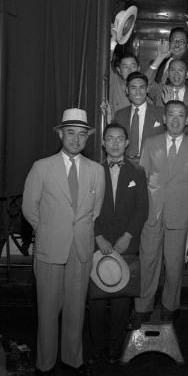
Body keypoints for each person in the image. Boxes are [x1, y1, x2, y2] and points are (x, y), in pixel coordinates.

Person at [22, 109, 105, 376]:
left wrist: (74, 231)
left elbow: (96, 210)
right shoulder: (41, 167)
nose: (77, 139)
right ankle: (45, 364)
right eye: (71, 133)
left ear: (87, 138)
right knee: (47, 311)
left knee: (76, 310)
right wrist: (48, 230)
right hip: (50, 248)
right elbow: (29, 209)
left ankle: (73, 360)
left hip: (80, 249)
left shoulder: (96, 170)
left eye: (82, 135)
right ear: (60, 134)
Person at [130, 100, 188, 328]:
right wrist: (140, 211)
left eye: (180, 115)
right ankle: (142, 308)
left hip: (181, 215)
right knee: (148, 262)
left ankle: (170, 307)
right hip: (151, 214)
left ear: (187, 120)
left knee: (174, 265)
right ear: (164, 118)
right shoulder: (151, 143)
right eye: (171, 114)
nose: (175, 119)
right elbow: (141, 179)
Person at [87, 122, 148, 364]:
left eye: (119, 139)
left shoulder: (137, 173)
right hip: (98, 244)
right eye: (109, 138)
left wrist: (128, 236)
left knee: (122, 302)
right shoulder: (93, 171)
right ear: (102, 143)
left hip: (126, 246)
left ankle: (114, 349)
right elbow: (86, 208)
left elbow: (142, 209)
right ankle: (96, 348)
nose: (114, 143)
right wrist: (97, 235)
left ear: (127, 143)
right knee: (97, 300)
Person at [114, 71, 165, 164]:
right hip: (126, 167)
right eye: (133, 88)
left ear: (147, 89)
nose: (138, 92)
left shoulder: (161, 113)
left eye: (142, 88)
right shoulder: (119, 115)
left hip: (154, 168)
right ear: (126, 90)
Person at [145, 15, 188, 92]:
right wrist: (159, 58)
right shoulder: (161, 63)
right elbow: (147, 82)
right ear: (169, 43)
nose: (177, 44)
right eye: (174, 40)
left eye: (181, 41)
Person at [149, 58, 188, 140]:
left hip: (185, 146)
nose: (176, 74)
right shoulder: (160, 91)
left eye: (180, 70)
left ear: (187, 74)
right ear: (167, 74)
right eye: (172, 70)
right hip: (160, 144)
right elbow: (146, 82)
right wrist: (160, 56)